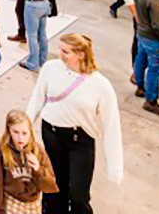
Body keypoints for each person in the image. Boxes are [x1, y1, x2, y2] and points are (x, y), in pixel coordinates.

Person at [26, 34, 123, 213]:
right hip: (51, 134)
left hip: (80, 141)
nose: (60, 55)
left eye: (66, 51)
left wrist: (115, 166)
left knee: (79, 195)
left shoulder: (101, 85)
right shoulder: (50, 68)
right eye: (60, 49)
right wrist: (25, 127)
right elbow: (37, 99)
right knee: (54, 187)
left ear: (81, 54)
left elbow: (111, 126)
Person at [0, 110, 58, 214]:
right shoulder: (1, 151)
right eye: (15, 132)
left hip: (33, 203)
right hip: (11, 201)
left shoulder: (38, 151)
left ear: (30, 132)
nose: (20, 138)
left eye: (24, 133)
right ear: (8, 130)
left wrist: (37, 169)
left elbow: (50, 185)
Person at [20, 0, 54, 72]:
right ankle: (42, 60)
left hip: (33, 6)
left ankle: (32, 63)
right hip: (44, 5)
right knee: (42, 34)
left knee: (32, 35)